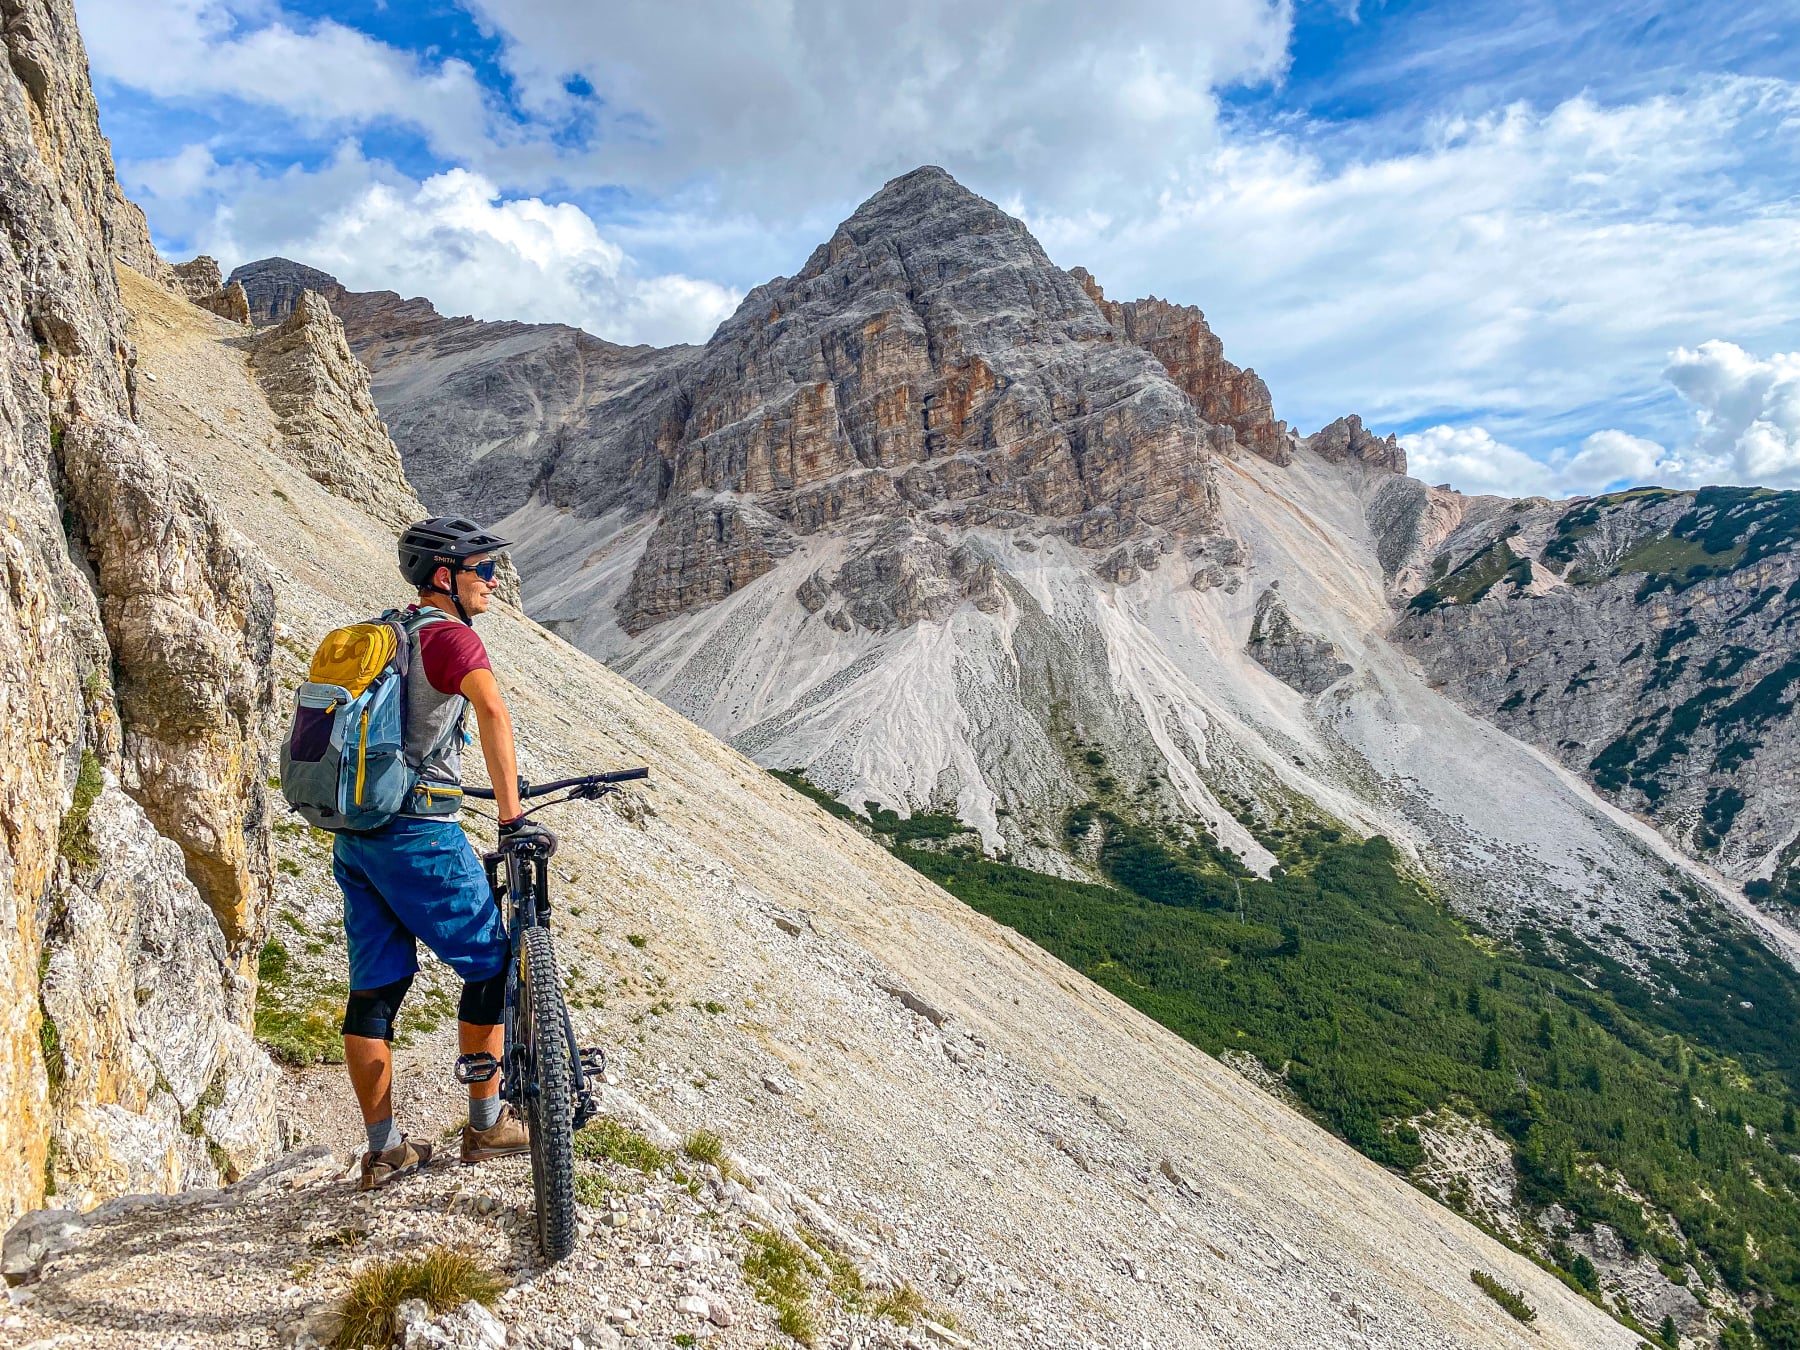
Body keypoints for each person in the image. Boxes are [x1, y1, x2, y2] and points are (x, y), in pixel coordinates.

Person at [333, 517, 555, 1190]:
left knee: (375, 989)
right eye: (482, 570)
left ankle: (385, 1149)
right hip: (420, 833)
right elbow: (492, 712)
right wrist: (512, 817)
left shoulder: (390, 633)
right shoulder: (451, 637)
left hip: (358, 834)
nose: (493, 581)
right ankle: (486, 1127)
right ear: (444, 577)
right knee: (491, 963)